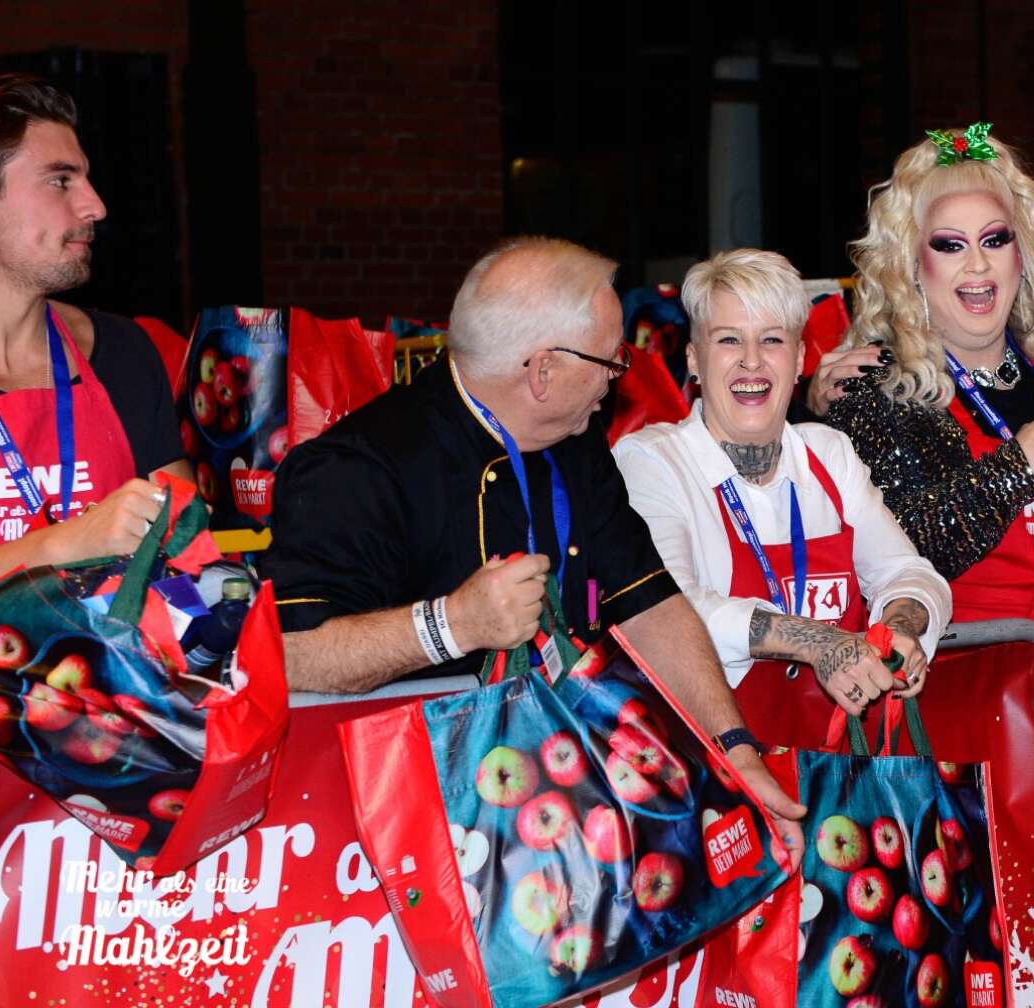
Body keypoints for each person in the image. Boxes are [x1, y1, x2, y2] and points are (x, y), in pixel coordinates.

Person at [261, 236, 805, 863]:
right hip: (402, 838)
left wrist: (734, 750)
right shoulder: (357, 469)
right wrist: (450, 625)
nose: (618, 377)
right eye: (611, 359)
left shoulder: (574, 437)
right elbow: (290, 657)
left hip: (565, 806)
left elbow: (649, 602)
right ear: (544, 370)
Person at [812, 123, 1034, 999]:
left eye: (996, 241)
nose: (977, 267)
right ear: (910, 268)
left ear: (1025, 255)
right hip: (970, 727)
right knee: (998, 964)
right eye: (948, 246)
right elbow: (918, 546)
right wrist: (1024, 460)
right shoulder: (872, 394)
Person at [613, 249, 951, 748]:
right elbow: (672, 610)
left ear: (798, 359)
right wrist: (818, 642)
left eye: (772, 340)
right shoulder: (652, 459)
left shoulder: (826, 451)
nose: (752, 361)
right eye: (729, 340)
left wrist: (900, 629)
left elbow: (910, 572)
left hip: (842, 770)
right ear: (693, 359)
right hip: (721, 763)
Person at [0, 71, 187, 578]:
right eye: (60, 181)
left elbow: (186, 551)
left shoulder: (124, 353)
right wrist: (59, 545)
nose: (95, 206)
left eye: (85, 179)